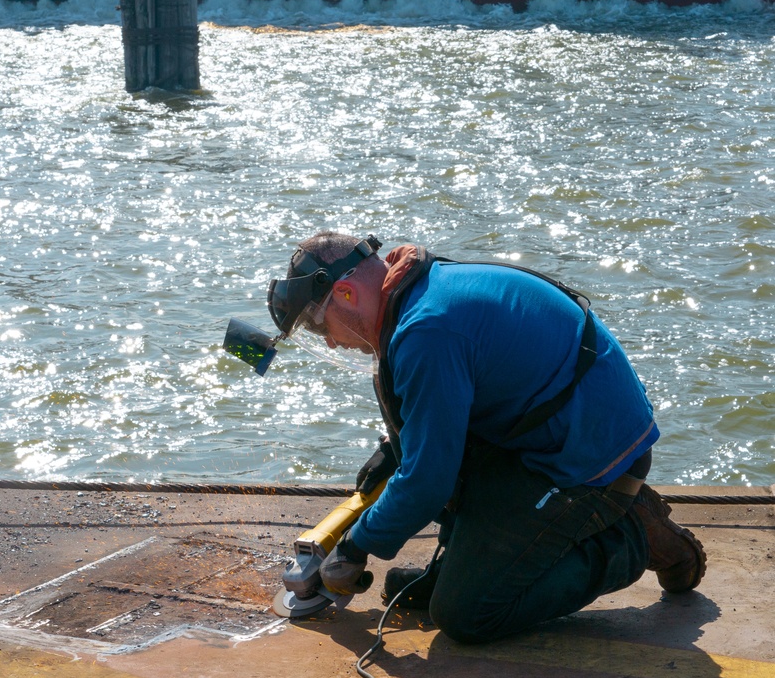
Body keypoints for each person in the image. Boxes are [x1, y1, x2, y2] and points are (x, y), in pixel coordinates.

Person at [266, 231, 706, 644]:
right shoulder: (417, 288)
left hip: (592, 459)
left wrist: (356, 547)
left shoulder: (426, 332)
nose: (330, 343)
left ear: (346, 293)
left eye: (321, 327)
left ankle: (631, 536)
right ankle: (468, 563)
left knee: (465, 613)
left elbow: (427, 482)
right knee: (409, 457)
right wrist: (393, 452)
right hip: (554, 433)